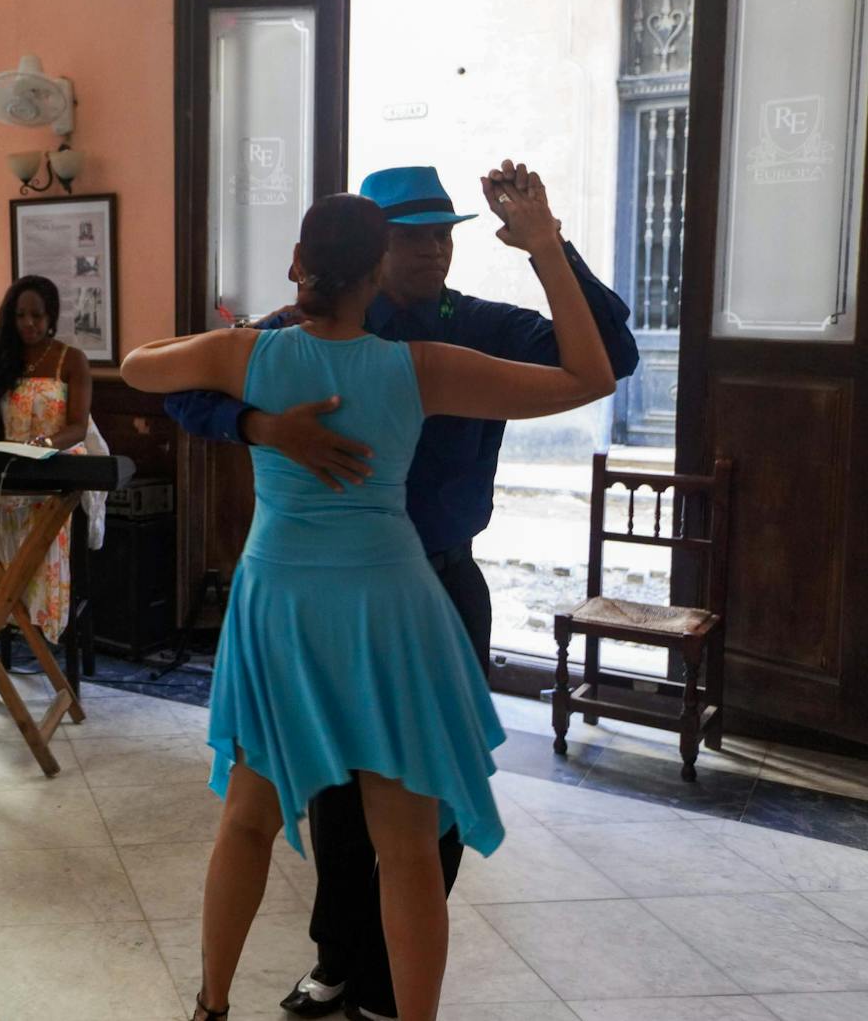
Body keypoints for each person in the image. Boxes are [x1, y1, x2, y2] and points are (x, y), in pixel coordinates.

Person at [124, 174, 617, 1021]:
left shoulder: (251, 352)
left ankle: (210, 1005)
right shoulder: (416, 369)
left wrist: (259, 412)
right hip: (388, 607)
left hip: (280, 599)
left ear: (296, 265)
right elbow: (589, 375)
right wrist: (543, 244)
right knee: (411, 847)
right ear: (376, 271)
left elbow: (137, 367)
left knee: (248, 820)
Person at [0, 275, 107, 643]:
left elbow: (77, 425)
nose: (29, 323)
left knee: (46, 510)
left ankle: (38, 617)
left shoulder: (70, 359)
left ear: (51, 316)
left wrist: (47, 442)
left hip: (52, 461)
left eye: (37, 316)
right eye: (21, 315)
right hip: (10, 463)